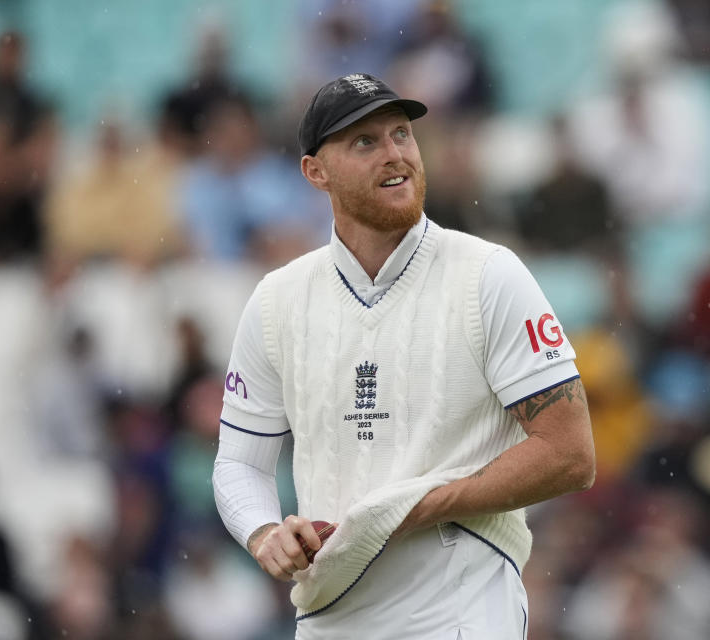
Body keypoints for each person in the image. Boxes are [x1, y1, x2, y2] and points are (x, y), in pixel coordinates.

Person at [212, 72, 595, 639]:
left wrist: (411, 509)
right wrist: (266, 533)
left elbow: (571, 454)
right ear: (315, 172)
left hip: (461, 601)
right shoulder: (277, 300)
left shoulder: (488, 274)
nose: (395, 155)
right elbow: (240, 463)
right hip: (330, 611)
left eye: (401, 134)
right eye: (365, 142)